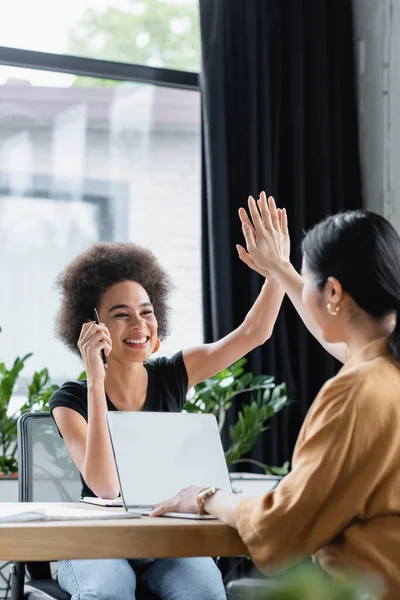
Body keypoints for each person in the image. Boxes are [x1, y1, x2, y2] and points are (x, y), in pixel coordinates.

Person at [151, 196, 400, 600]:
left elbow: (279, 526)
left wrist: (208, 497)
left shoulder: (357, 391)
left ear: (333, 292)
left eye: (308, 280)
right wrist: (282, 270)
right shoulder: (386, 368)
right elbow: (340, 335)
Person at [49, 239, 289, 600]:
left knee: (205, 591)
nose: (139, 324)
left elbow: (253, 334)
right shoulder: (69, 400)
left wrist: (279, 270)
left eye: (146, 312)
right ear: (91, 326)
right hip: (95, 540)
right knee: (109, 593)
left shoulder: (174, 374)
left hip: (162, 537)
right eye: (121, 314)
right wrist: (95, 379)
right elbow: (105, 487)